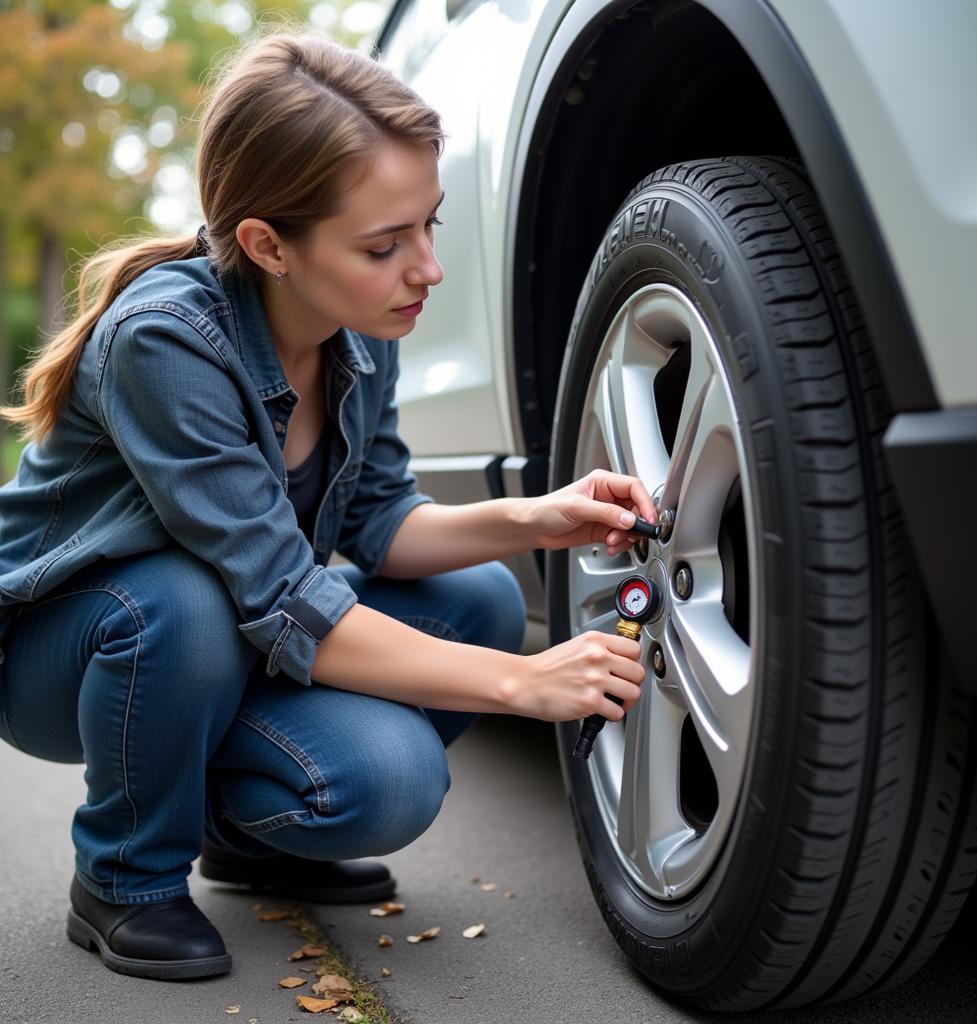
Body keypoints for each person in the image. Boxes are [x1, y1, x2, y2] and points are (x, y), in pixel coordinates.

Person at [0, 30, 655, 982]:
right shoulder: (165, 343)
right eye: (385, 245)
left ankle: (248, 838)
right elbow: (279, 595)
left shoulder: (357, 325)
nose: (425, 268)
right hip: (75, 650)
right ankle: (125, 879)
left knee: (479, 602)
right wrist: (520, 685)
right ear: (269, 245)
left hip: (222, 634)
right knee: (185, 606)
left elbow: (379, 524)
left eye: (428, 225)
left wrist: (539, 515)